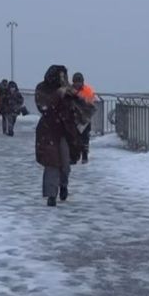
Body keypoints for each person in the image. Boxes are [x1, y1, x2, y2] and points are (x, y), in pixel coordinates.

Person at [35, 65, 82, 206]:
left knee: (65, 164)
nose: (62, 79)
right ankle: (51, 195)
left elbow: (77, 109)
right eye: (60, 76)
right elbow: (43, 106)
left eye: (64, 76)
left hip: (65, 131)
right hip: (48, 131)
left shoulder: (68, 89)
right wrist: (57, 95)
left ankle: (63, 185)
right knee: (52, 163)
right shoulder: (43, 88)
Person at [71, 72, 97, 163]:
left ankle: (85, 156)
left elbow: (91, 103)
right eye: (76, 81)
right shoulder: (69, 90)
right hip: (73, 118)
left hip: (85, 117)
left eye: (79, 81)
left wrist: (81, 99)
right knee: (74, 137)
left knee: (85, 137)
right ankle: (74, 156)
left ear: (82, 82)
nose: (77, 83)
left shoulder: (88, 90)